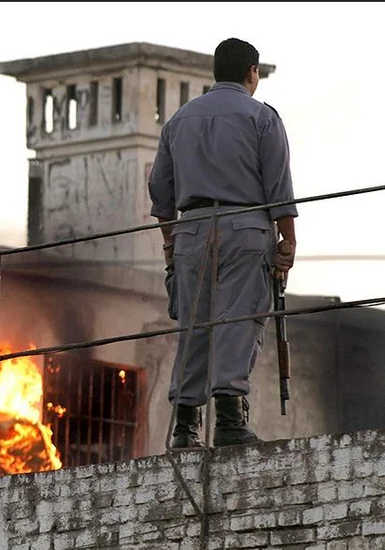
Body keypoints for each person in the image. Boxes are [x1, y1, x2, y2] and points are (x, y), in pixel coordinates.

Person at [148, 38, 298, 448]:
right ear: (252, 71)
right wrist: (289, 239)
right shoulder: (261, 117)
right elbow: (278, 187)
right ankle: (229, 420)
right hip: (247, 225)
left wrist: (169, 247)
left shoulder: (179, 121)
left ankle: (184, 427)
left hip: (191, 229)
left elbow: (160, 194)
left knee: (194, 325)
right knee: (239, 319)